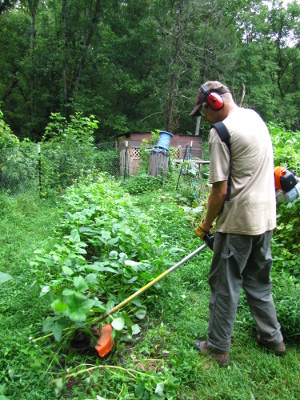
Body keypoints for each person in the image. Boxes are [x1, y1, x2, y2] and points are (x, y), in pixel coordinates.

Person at [190, 81, 285, 367]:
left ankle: (217, 348)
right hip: (266, 218)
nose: (203, 116)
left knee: (224, 283)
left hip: (239, 222)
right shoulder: (254, 117)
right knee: (258, 281)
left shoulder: (220, 132)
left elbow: (219, 191)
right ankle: (273, 338)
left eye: (203, 110)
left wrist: (206, 225)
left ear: (215, 103)